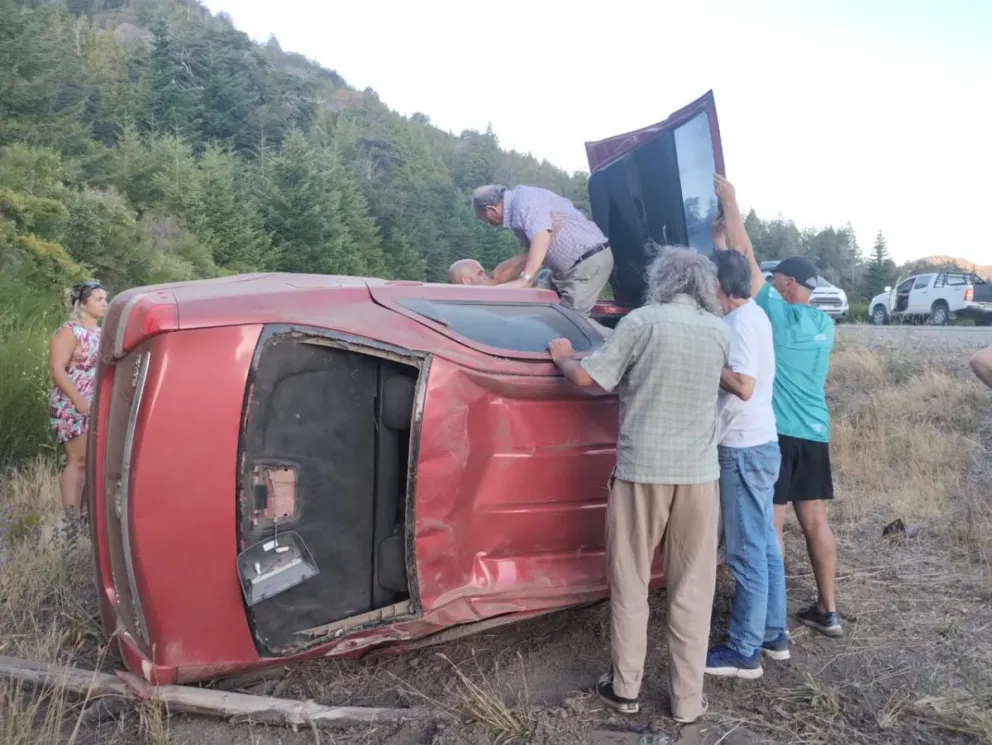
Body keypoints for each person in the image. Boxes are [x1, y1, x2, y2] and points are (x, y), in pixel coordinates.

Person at [547, 247, 729, 723]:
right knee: (692, 588)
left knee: (631, 582)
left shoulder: (642, 322)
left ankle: (625, 688)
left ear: (661, 280)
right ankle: (687, 701)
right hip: (699, 476)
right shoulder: (719, 331)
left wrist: (565, 358)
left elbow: (588, 378)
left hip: (642, 472)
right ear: (705, 285)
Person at [715, 174, 842, 639]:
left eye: (776, 280)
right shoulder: (824, 325)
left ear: (785, 283)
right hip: (817, 432)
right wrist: (721, 237)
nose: (769, 283)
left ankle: (768, 621)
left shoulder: (777, 313)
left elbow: (747, 262)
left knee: (771, 530)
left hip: (780, 432)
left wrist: (731, 203)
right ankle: (828, 611)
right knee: (817, 525)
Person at [703, 243, 789, 680]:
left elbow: (743, 385)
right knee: (766, 544)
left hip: (740, 448)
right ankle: (773, 634)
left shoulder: (736, 323)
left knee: (746, 551)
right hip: (762, 442)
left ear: (717, 286)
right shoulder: (755, 314)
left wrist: (704, 353)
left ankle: (742, 651)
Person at [472, 184, 614, 318]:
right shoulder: (518, 207)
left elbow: (541, 237)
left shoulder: (523, 203)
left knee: (570, 322)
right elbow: (530, 252)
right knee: (536, 308)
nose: (487, 223)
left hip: (587, 263)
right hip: (566, 270)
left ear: (490, 209)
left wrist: (525, 279)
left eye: (483, 219)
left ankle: (614, 340)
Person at [48, 279, 108, 524]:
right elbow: (56, 369)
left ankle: (84, 515)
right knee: (78, 459)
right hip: (71, 402)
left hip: (95, 403)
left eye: (105, 299)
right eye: (99, 299)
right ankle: (71, 519)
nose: (105, 304)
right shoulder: (69, 331)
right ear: (83, 304)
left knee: (91, 461)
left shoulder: (101, 333)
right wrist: (79, 400)